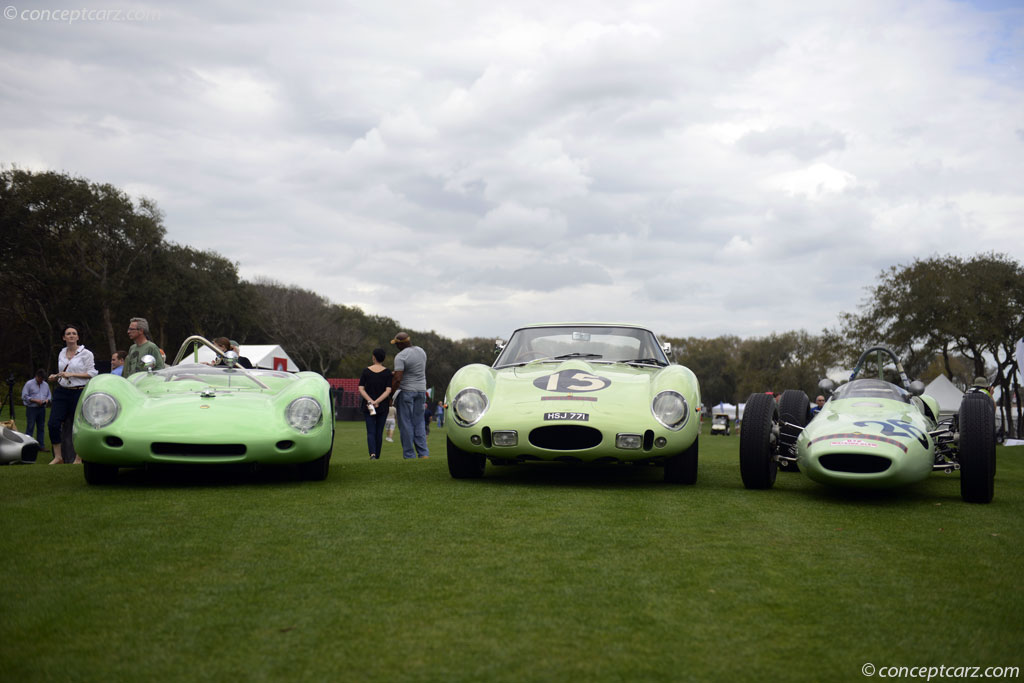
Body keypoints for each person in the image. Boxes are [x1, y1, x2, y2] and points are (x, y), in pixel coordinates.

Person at [47, 324, 97, 464]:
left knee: (78, 425)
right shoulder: (61, 353)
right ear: (64, 337)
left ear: (78, 337)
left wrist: (72, 374)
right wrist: (56, 376)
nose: (71, 335)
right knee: (53, 424)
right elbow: (64, 373)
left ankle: (78, 457)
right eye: (68, 334)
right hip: (62, 391)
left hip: (79, 391)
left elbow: (92, 373)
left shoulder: (86, 353)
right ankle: (58, 456)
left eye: (74, 333)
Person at [390, 332, 429, 459]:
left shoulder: (401, 356)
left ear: (400, 344)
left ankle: (409, 455)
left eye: (396, 344)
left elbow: (397, 379)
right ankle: (423, 454)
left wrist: (390, 395)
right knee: (419, 422)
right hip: (421, 391)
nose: (395, 346)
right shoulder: (421, 351)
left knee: (405, 424)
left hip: (407, 391)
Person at [358, 348, 393, 459]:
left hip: (369, 406)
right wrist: (377, 401)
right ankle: (377, 455)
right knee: (379, 432)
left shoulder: (366, 371)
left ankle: (372, 454)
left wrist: (371, 401)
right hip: (382, 406)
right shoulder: (387, 372)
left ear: (373, 357)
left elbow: (361, 388)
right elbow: (388, 390)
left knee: (371, 431)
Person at [21, 369, 51, 452]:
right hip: (32, 408)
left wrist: (47, 400)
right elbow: (24, 396)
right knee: (30, 427)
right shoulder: (29, 384)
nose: (41, 381)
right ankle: (27, 446)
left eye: (43, 379)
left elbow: (49, 395)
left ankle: (40, 446)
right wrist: (34, 400)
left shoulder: (45, 385)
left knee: (41, 427)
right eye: (40, 379)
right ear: (37, 376)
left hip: (42, 409)